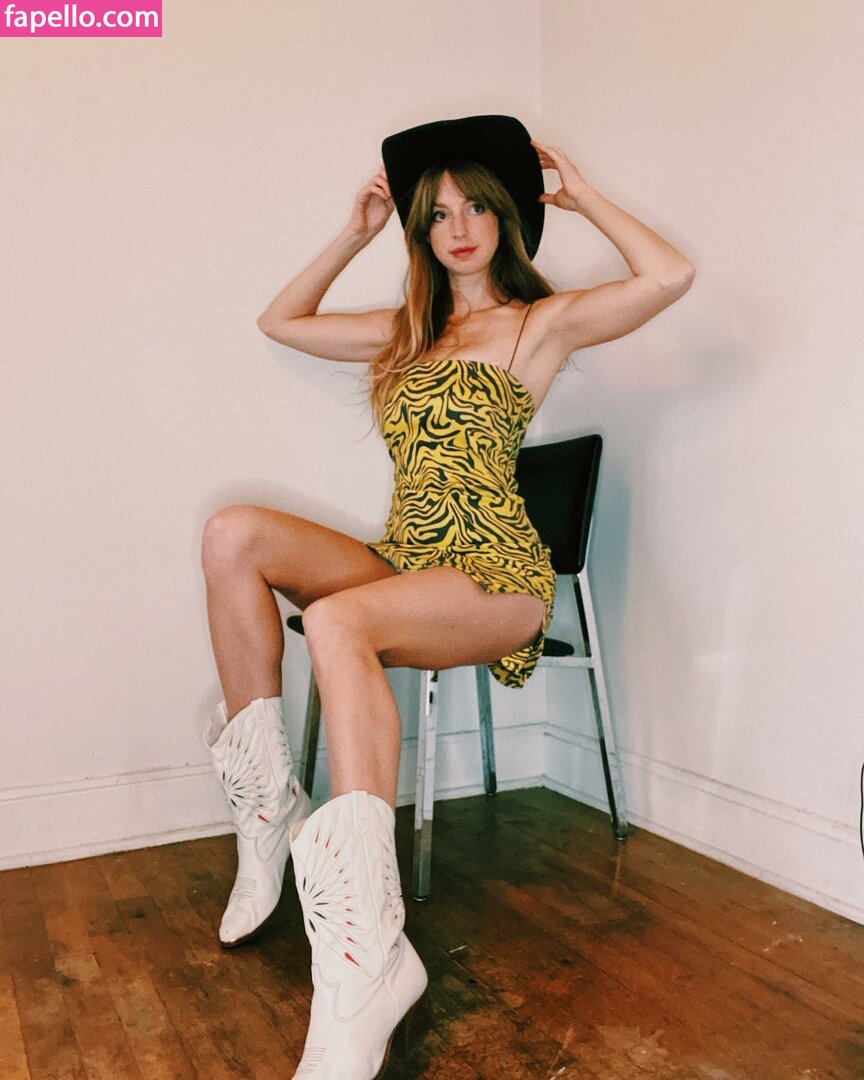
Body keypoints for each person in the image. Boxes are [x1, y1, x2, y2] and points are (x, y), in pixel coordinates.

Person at [200, 115, 695, 1079]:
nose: (457, 228)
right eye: (436, 214)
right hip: (407, 559)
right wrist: (353, 233)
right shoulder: (406, 332)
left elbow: (669, 276)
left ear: (506, 217)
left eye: (474, 208)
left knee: (335, 619)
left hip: (495, 574)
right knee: (232, 534)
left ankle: (365, 956)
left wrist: (583, 196)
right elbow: (280, 321)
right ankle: (266, 814)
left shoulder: (538, 325)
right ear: (419, 231)